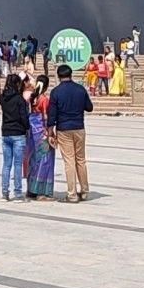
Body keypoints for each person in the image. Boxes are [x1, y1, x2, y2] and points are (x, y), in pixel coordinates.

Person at [45, 64, 92, 202]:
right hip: (79, 127)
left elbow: (52, 115)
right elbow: (89, 107)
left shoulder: (56, 92)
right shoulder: (80, 89)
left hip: (64, 129)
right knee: (81, 160)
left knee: (69, 161)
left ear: (59, 76)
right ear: (71, 74)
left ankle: (72, 194)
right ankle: (84, 191)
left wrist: (50, 132)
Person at [0, 72, 28, 201]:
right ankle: (18, 193)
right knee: (17, 164)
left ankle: (5, 193)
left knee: (6, 164)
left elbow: (0, 97)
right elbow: (23, 117)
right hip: (18, 133)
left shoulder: (3, 98)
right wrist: (27, 127)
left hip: (6, 132)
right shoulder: (19, 99)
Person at [24, 74, 55, 201]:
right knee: (45, 161)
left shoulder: (32, 98)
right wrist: (50, 133)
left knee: (33, 160)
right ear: (46, 86)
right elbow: (46, 117)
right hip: (42, 132)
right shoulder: (44, 99)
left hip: (32, 132)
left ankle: (31, 189)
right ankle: (41, 192)